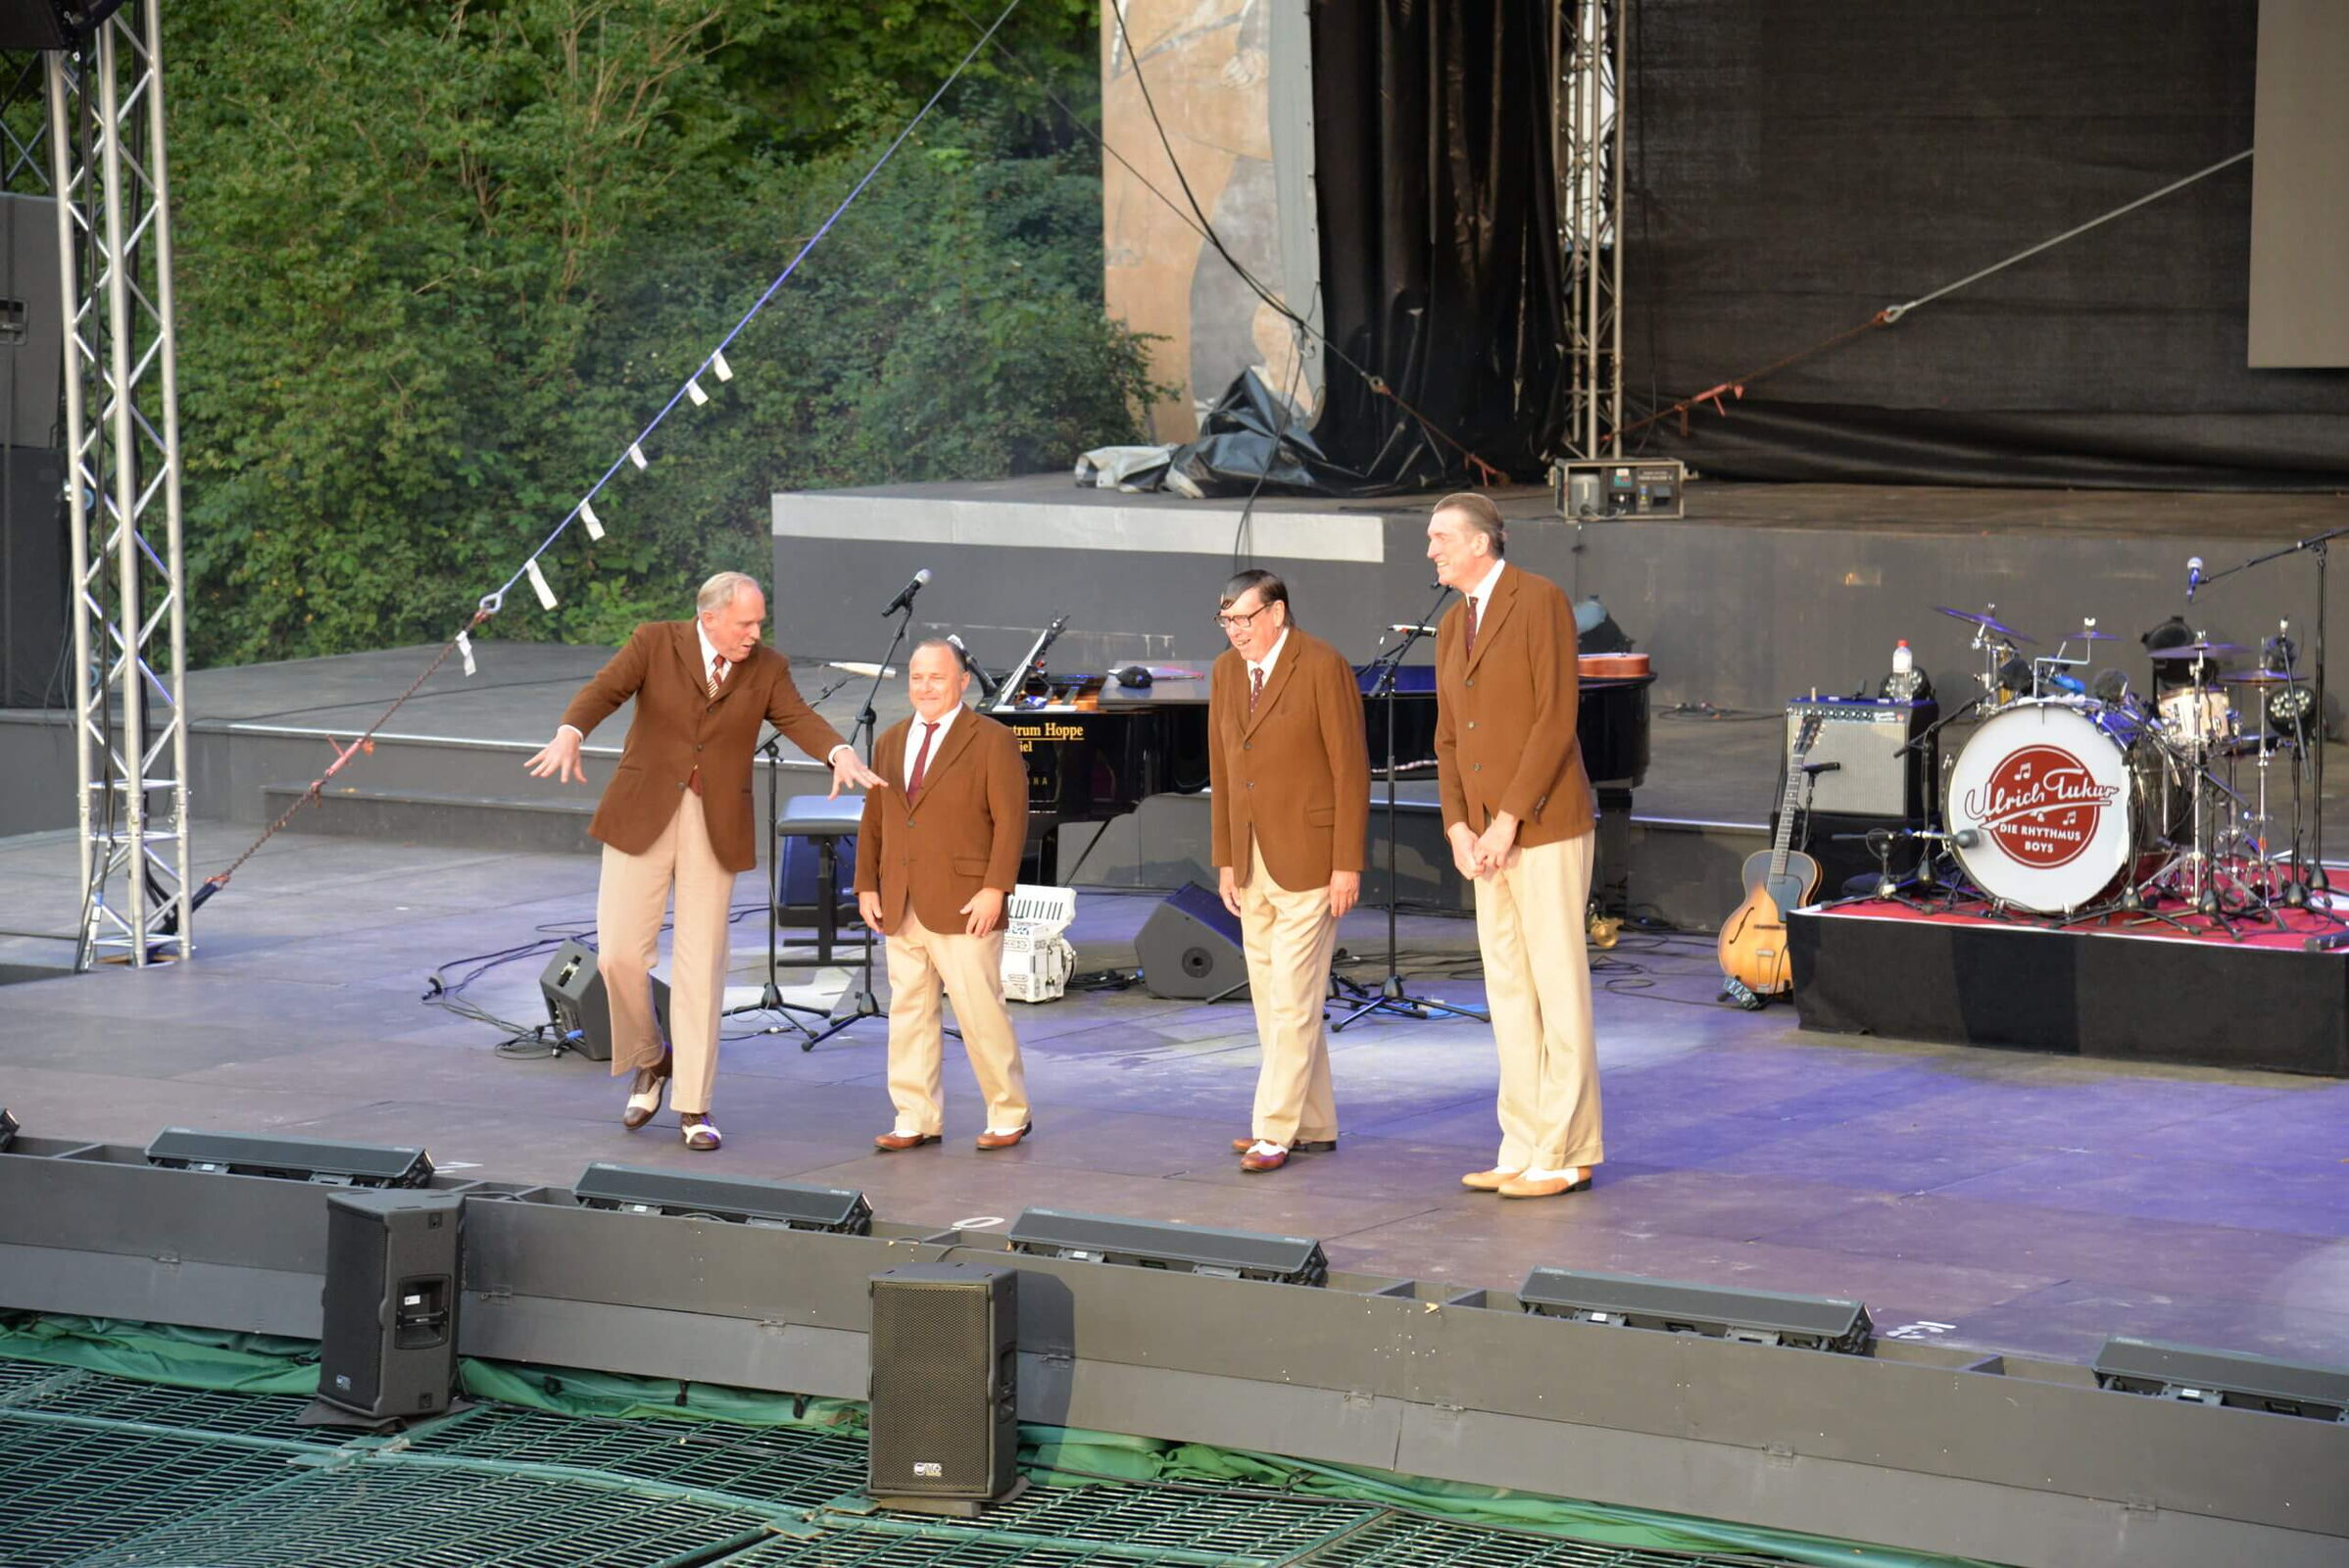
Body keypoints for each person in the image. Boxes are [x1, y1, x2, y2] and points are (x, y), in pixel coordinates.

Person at [526, 570, 882, 1151]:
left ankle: (694, 1105)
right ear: (708, 617)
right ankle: (651, 1058)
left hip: (714, 823)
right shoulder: (654, 642)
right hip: (642, 810)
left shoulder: (767, 666)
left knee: (702, 966)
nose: (754, 633)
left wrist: (837, 751)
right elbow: (604, 690)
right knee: (617, 955)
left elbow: (796, 716)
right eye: (745, 623)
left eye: (759, 622)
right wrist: (571, 730)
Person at [1426, 493, 1603, 1199]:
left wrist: (1506, 821)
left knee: (1557, 989)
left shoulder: (1539, 600)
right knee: (1507, 993)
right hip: (1482, 839)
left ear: (1479, 543)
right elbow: (1447, 737)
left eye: (1440, 538)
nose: (1431, 551)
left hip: (1543, 826)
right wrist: (1458, 826)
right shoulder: (1451, 625)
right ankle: (1522, 1144)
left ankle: (1565, 1151)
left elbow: (1555, 719)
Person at [1208, 569, 1370, 1173]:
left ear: (1276, 613)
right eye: (1226, 620)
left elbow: (1351, 770)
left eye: (1244, 619)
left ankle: (1273, 1129)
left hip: (1310, 860)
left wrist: (1346, 863)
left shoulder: (1323, 666)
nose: (1235, 631)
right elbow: (1223, 771)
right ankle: (1314, 1122)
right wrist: (1226, 858)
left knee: (1294, 1002)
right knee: (1271, 1000)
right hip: (1251, 862)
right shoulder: (1225, 672)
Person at [855, 639, 1034, 1152]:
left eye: (937, 677)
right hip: (901, 899)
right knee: (909, 1014)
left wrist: (995, 888)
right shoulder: (890, 740)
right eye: (917, 677)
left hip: (965, 901)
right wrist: (867, 883)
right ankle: (915, 1116)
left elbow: (1011, 820)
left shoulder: (992, 740)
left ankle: (1009, 1113)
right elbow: (875, 819)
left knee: (980, 1012)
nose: (925, 687)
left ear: (962, 682)